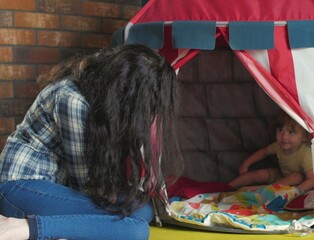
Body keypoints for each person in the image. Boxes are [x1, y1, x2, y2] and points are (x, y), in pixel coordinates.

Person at [0, 44, 183, 240]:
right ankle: (25, 228)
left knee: (143, 210)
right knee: (136, 230)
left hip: (53, 188)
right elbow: (85, 185)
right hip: (19, 189)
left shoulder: (99, 100)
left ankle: (52, 229)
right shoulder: (72, 99)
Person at [228, 111, 314, 193]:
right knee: (259, 174)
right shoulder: (278, 146)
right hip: (282, 175)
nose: (284, 136)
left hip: (297, 182)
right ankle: (227, 187)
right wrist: (246, 163)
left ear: (304, 137)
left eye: (291, 132)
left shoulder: (305, 153)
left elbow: (311, 180)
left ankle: (263, 189)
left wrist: (297, 190)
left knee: (297, 177)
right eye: (280, 130)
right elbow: (264, 152)